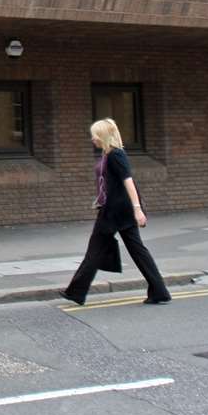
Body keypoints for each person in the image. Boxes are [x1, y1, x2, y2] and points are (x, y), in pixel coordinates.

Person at [63, 118, 171, 306]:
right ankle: (159, 291)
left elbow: (128, 181)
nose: (92, 139)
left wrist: (138, 210)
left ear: (103, 136)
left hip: (116, 212)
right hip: (114, 210)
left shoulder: (116, 155)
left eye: (95, 135)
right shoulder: (108, 154)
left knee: (96, 250)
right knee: (136, 250)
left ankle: (76, 292)